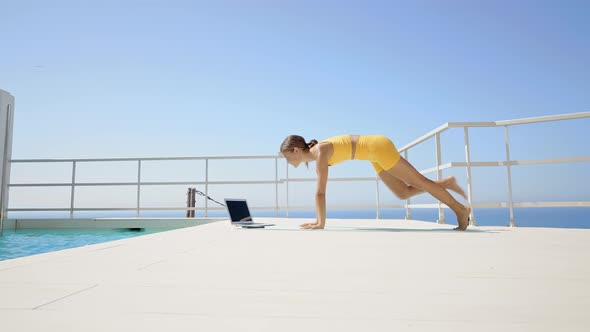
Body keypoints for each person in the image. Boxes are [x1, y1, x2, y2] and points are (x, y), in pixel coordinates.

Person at [279, 134, 471, 230]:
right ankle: (445, 183)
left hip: (377, 148)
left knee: (420, 181)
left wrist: (320, 223)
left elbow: (320, 192)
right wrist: (319, 222)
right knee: (403, 192)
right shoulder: (317, 154)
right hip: (372, 153)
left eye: (287, 157)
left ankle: (460, 210)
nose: (287, 162)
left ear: (296, 151)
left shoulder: (320, 153)